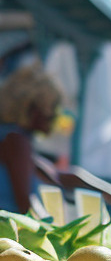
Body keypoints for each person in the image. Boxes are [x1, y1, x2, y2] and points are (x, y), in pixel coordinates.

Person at [0, 65, 62, 214]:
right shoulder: (16, 141)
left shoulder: (10, 136)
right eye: (52, 108)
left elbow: (59, 176)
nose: (54, 116)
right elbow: (26, 205)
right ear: (33, 108)